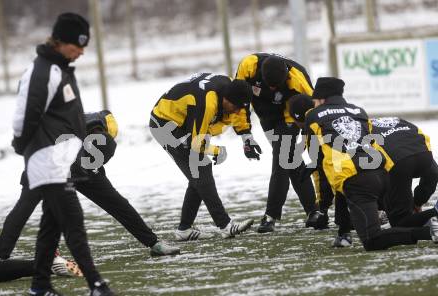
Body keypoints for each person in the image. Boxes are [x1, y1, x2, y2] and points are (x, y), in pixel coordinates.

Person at [11, 13, 114, 295]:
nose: (81, 51)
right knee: (74, 224)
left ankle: (40, 286)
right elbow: (23, 116)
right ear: (60, 41)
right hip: (47, 161)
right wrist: (26, 149)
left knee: (51, 227)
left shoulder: (61, 68)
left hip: (59, 161)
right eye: (77, 45)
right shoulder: (44, 71)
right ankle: (96, 284)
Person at [0, 110, 180, 264]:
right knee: (117, 205)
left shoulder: (71, 120)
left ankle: (1, 254)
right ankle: (154, 243)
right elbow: (98, 155)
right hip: (75, 168)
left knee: (24, 209)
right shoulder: (101, 136)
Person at [289, 78, 438, 251]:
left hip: (358, 180)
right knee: (397, 218)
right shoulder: (358, 110)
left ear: (321, 98)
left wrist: (321, 207)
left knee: (372, 239)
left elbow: (320, 164)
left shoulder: (313, 116)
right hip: (383, 173)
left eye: (315, 100)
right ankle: (345, 234)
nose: (313, 103)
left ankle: (429, 232)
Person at [150, 73, 255, 241]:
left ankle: (184, 230)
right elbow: (196, 143)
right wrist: (217, 150)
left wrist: (247, 137)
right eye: (235, 107)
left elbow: (236, 113)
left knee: (198, 175)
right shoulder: (207, 102)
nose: (236, 111)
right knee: (201, 168)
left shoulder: (229, 89)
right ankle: (225, 225)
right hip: (165, 125)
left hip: (182, 122)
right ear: (226, 99)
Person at [235, 53, 324, 233]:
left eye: (278, 86)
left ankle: (271, 216)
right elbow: (239, 100)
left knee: (282, 159)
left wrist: (315, 138)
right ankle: (313, 211)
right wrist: (245, 135)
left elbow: (314, 110)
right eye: (270, 85)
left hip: (289, 115)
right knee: (291, 161)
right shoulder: (249, 66)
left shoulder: (297, 79)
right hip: (266, 116)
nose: (274, 89)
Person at [370, 117, 438, 228]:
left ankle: (434, 213)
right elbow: (433, 173)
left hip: (398, 163)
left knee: (400, 222)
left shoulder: (363, 129)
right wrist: (418, 202)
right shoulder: (398, 120)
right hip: (424, 154)